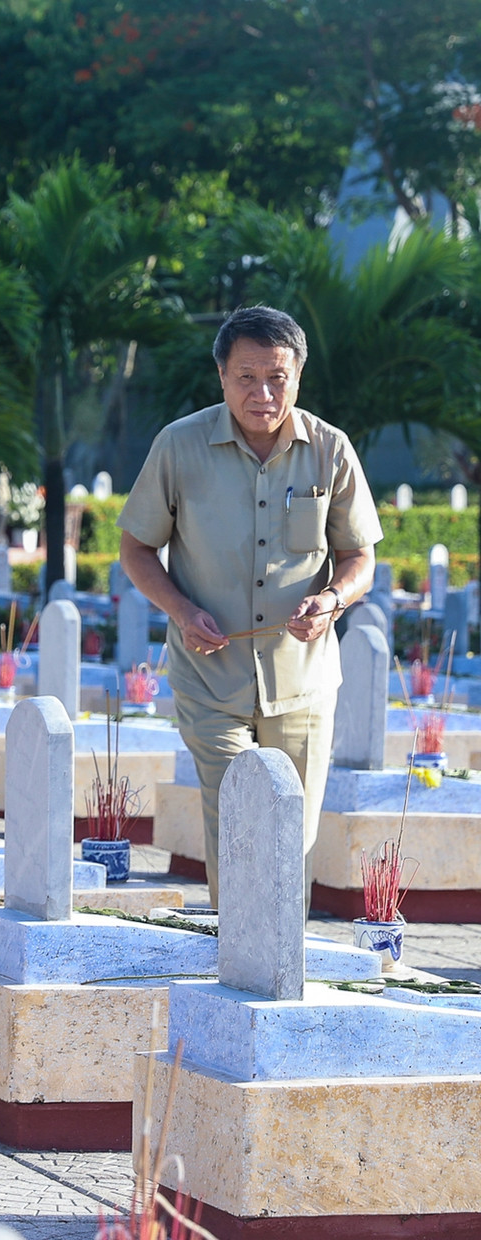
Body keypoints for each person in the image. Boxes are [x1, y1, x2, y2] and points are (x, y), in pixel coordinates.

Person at [119, 305, 382, 903]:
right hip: (210, 679)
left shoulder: (332, 451)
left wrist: (333, 598)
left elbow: (360, 559)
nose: (262, 393)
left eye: (277, 377)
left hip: (305, 681)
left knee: (295, 833)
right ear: (221, 375)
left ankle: (282, 967)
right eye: (246, 377)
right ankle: (235, 963)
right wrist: (183, 613)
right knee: (236, 818)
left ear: (297, 376)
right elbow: (135, 549)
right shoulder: (178, 446)